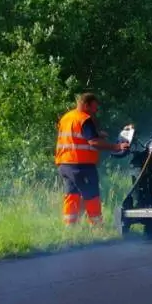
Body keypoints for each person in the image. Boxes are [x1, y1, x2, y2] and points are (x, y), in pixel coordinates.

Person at [55, 93, 129, 226]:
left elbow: (75, 136)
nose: (95, 111)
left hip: (65, 164)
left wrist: (98, 134)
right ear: (85, 105)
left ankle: (69, 226)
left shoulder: (67, 117)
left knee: (72, 194)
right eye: (94, 107)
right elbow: (93, 142)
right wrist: (116, 146)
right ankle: (96, 226)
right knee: (92, 195)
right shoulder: (85, 119)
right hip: (81, 165)